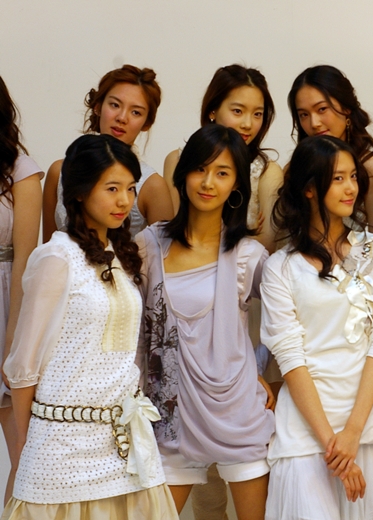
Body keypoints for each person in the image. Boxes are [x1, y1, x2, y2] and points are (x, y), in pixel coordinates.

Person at [2, 134, 177, 519]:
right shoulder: (56, 257)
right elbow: (22, 366)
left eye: (130, 188)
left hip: (124, 447)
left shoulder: (121, 256)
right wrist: (29, 445)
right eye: (111, 188)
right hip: (61, 446)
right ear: (80, 192)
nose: (124, 201)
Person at [260, 135, 373, 519]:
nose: (350, 187)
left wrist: (353, 433)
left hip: (370, 427)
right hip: (305, 433)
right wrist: (333, 443)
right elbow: (290, 358)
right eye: (338, 178)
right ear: (309, 188)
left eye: (353, 177)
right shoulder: (280, 267)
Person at [137, 124, 275, 520]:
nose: (208, 182)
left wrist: (257, 369)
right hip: (171, 419)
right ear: (184, 174)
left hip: (238, 415)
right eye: (200, 169)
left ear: (237, 185)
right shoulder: (149, 245)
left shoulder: (248, 255)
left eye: (222, 172)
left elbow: (290, 322)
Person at [43, 64, 173, 242]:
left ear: (146, 123)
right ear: (98, 107)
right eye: (115, 105)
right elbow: (46, 245)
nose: (122, 118)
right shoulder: (59, 171)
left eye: (136, 112)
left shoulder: (153, 186)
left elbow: (165, 256)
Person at [163, 64, 283, 254]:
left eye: (257, 114)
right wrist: (245, 238)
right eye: (238, 111)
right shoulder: (177, 159)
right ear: (213, 110)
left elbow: (267, 244)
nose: (248, 124)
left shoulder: (267, 172)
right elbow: (177, 229)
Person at [0, 76, 43, 504]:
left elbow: (27, 262)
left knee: (24, 457)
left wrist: (14, 337)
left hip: (6, 307)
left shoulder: (21, 170)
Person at [288, 65, 373, 231]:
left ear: (346, 108)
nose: (314, 123)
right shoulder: (294, 169)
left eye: (322, 109)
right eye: (304, 115)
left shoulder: (371, 167)